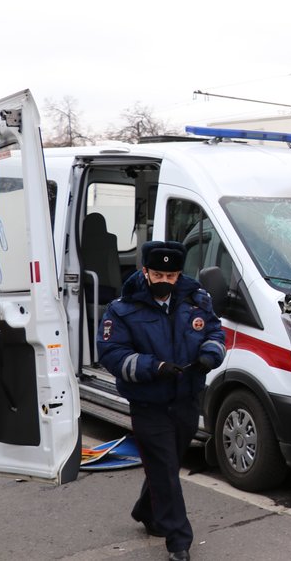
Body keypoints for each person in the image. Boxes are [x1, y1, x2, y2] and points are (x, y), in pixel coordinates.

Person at [97, 240, 226, 561]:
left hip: (186, 399)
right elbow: (112, 354)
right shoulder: (122, 309)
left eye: (170, 276)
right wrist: (153, 367)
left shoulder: (196, 300)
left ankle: (146, 509)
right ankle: (179, 541)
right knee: (166, 470)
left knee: (164, 466)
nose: (163, 281)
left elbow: (214, 332)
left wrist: (211, 354)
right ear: (145, 271)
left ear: (179, 274)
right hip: (148, 403)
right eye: (157, 274)